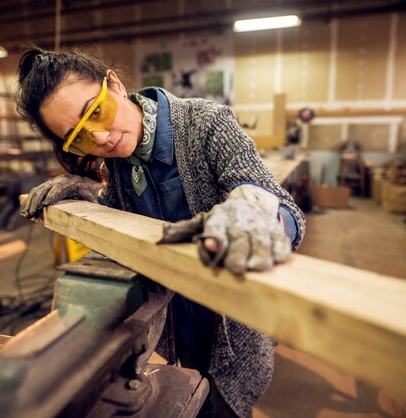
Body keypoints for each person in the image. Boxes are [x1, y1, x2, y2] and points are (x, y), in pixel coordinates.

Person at [17, 47, 305, 418]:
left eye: (97, 111)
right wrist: (85, 194)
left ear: (115, 84)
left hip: (232, 321)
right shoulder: (118, 161)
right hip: (177, 315)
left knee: (226, 406)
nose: (101, 137)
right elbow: (126, 227)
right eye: (79, 137)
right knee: (190, 396)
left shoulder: (206, 123)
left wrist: (256, 212)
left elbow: (285, 210)